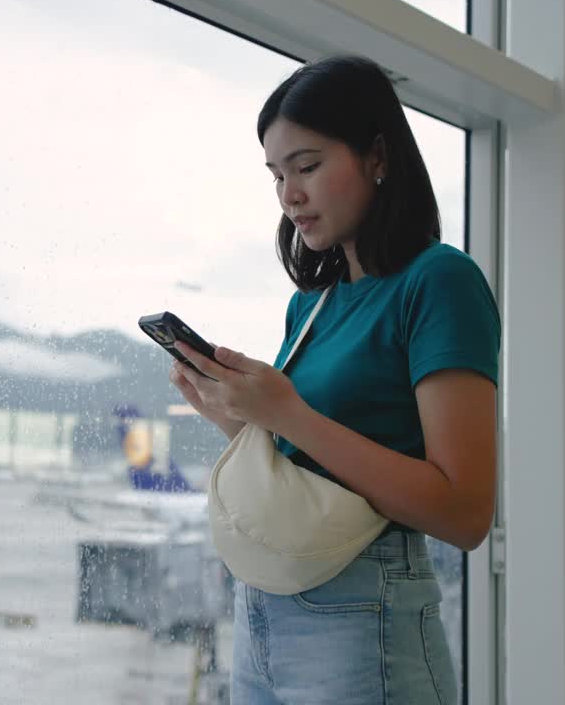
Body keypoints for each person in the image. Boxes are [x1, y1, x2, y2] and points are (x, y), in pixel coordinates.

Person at [169, 55, 500, 704]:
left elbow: (463, 511)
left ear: (377, 156)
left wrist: (286, 412)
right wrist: (235, 412)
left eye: (309, 166)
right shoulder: (312, 302)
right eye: (277, 174)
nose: (290, 194)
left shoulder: (439, 281)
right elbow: (318, 461)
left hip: (364, 617)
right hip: (265, 610)